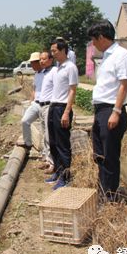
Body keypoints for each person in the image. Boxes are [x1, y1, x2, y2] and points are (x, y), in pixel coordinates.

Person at [88, 20, 127, 201]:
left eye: (93, 40)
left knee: (110, 156)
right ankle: (103, 191)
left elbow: (124, 84)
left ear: (101, 37)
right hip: (101, 111)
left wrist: (116, 111)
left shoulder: (122, 55)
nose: (93, 44)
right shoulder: (107, 56)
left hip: (111, 111)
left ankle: (109, 197)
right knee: (100, 155)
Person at [46, 39, 78, 190]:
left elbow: (72, 90)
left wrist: (66, 111)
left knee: (62, 144)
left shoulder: (70, 67)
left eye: (54, 51)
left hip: (62, 108)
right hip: (53, 106)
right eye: (51, 51)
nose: (53, 54)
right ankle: (58, 172)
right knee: (53, 142)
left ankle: (65, 177)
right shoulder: (58, 68)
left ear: (63, 50)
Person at [17, 52, 44, 151]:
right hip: (36, 103)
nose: (31, 65)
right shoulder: (37, 74)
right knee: (25, 121)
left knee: (44, 128)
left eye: (33, 63)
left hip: (45, 105)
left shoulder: (48, 73)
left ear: (39, 62)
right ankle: (28, 143)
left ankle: (45, 152)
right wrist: (31, 101)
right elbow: (34, 89)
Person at [37, 51, 56, 173]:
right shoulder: (42, 73)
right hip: (41, 106)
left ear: (50, 60)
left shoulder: (54, 71)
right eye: (40, 59)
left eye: (44, 59)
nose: (41, 61)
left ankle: (52, 163)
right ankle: (47, 160)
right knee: (44, 135)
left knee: (49, 136)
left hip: (49, 105)